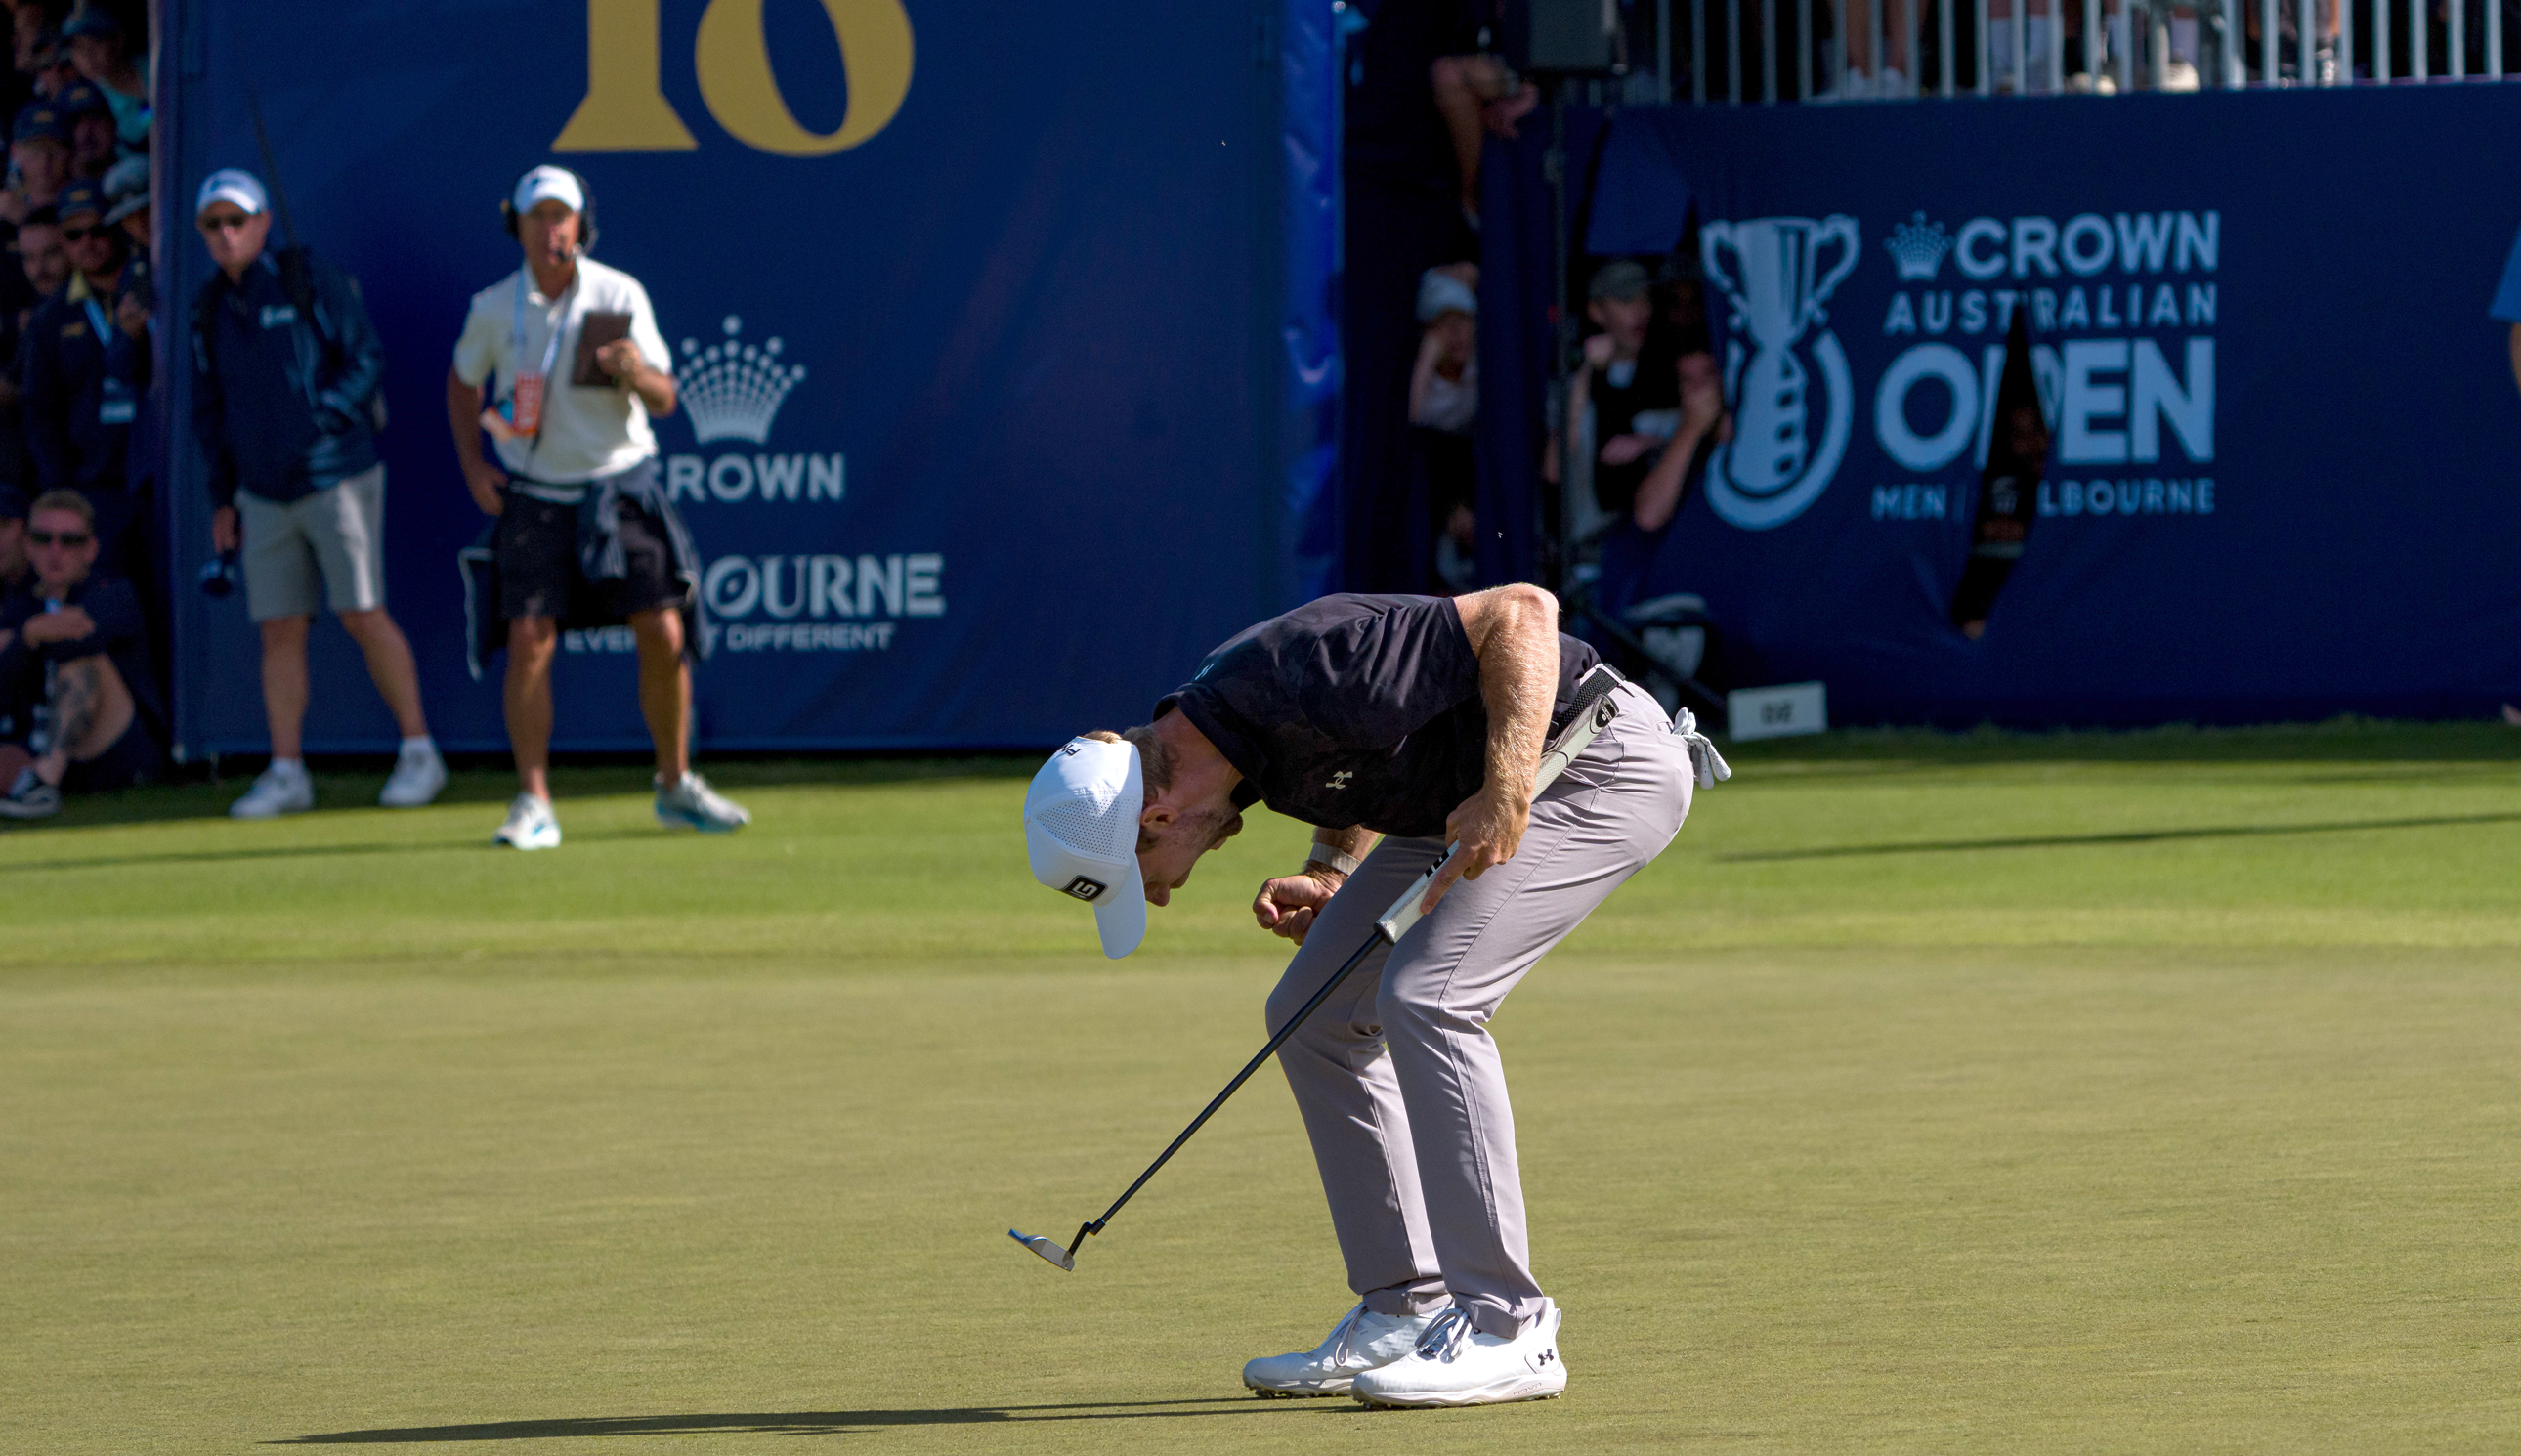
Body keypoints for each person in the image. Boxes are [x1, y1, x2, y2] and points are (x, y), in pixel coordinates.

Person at [1021, 588, 1727, 1408]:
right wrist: (1331, 867)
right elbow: (1366, 760)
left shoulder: (1305, 671)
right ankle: (1403, 1305)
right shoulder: (1225, 738)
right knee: (1311, 1013)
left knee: (1431, 996)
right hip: (1467, 794)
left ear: (1159, 812)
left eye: (1144, 882)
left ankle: (1509, 1326)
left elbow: (1524, 614)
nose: (1165, 894)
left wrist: (1505, 788)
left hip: (1594, 761)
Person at [447, 164, 747, 848]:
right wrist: (472, 465)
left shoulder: (620, 293)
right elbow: (462, 384)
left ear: (582, 225)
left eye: (562, 216)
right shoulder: (495, 307)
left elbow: (667, 398)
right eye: (537, 217)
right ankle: (533, 801)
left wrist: (632, 371)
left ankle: (674, 786)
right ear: (516, 227)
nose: (551, 230)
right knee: (528, 642)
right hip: (534, 497)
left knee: (664, 632)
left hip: (620, 490)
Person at [192, 169, 443, 816]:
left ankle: (419, 752)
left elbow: (365, 357)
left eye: (236, 221)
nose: (225, 235)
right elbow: (208, 409)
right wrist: (223, 497)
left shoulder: (308, 279)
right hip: (260, 492)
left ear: (263, 222)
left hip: (337, 478)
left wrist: (324, 419)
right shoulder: (209, 308)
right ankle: (286, 772)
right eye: (213, 225)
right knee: (279, 628)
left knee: (362, 612)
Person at [0, 487, 163, 817]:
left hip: (113, 749)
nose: (55, 551)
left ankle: (43, 786)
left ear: (90, 549)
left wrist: (26, 636)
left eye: (69, 541)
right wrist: (29, 634)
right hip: (34, 741)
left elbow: (78, 639)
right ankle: (38, 780)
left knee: (82, 662)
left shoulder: (113, 592)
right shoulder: (19, 606)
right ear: (29, 546)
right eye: (44, 539)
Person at [21, 178, 133, 551]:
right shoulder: (48, 321)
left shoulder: (154, 289)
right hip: (94, 489)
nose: (87, 242)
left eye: (97, 229)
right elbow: (40, 414)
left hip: (163, 467)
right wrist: (62, 496)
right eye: (73, 234)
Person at [1409, 264, 1480, 592]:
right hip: (1443, 483)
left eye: (1462, 322)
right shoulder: (1427, 385)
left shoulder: (1483, 367)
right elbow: (1416, 417)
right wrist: (1429, 355)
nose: (1456, 334)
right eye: (1445, 326)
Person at [61, 6, 144, 151]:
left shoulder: (153, 66)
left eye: (96, 43)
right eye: (79, 47)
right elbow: (136, 132)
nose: (88, 55)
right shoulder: (91, 98)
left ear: (118, 40)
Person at [2, 100, 69, 225]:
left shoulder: (85, 206)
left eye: (53, 148)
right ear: (15, 152)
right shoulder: (5, 209)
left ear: (68, 151)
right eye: (34, 149)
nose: (44, 160)